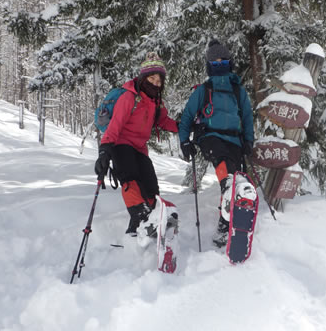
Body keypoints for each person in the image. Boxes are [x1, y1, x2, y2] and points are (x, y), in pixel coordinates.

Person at [178, 39, 254, 247]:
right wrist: (185, 142)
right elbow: (187, 117)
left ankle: (224, 226)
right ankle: (229, 187)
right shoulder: (204, 90)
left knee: (237, 178)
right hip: (210, 137)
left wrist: (249, 140)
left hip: (235, 140)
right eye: (215, 62)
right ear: (209, 65)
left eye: (223, 61)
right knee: (228, 173)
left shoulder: (238, 90)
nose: (219, 64)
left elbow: (247, 117)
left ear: (229, 63)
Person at [94, 52, 178, 236]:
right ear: (143, 77)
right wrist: (105, 150)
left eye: (159, 80)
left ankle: (136, 231)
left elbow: (163, 122)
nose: (156, 83)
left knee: (151, 187)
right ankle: (143, 219)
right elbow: (115, 125)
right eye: (152, 78)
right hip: (121, 144)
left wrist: (183, 127)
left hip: (140, 148)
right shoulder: (129, 97)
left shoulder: (156, 102)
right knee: (130, 180)